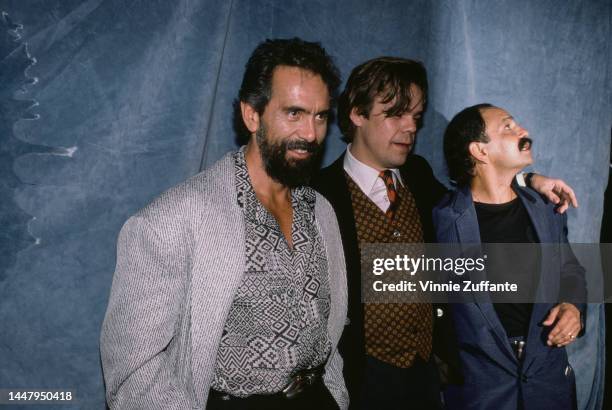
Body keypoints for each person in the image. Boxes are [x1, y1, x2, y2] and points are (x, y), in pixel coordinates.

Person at [312, 57, 579, 409]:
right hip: (359, 379)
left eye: (417, 117)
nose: (410, 127)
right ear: (357, 114)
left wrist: (527, 180)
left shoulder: (419, 176)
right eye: (395, 114)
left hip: (427, 379)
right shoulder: (319, 194)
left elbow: (479, 191)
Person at [100, 38, 348, 410]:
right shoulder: (172, 220)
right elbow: (134, 371)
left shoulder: (321, 211)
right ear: (252, 115)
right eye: (293, 113)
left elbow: (328, 336)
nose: (311, 134)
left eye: (320, 116)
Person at [434, 103, 586, 410]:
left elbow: (570, 270)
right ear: (479, 150)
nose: (523, 131)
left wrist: (573, 307)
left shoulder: (546, 208)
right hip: (481, 392)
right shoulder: (442, 219)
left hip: (549, 385)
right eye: (508, 126)